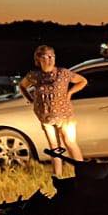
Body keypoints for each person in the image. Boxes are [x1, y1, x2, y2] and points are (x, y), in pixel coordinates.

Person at [18, 45, 86, 177]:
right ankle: (57, 176)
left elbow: (82, 81)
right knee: (54, 148)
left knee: (69, 142)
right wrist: (30, 99)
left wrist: (70, 92)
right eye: (45, 57)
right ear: (38, 59)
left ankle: (83, 174)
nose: (49, 59)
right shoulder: (34, 75)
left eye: (52, 56)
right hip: (45, 117)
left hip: (65, 116)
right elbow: (22, 86)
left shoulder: (63, 73)